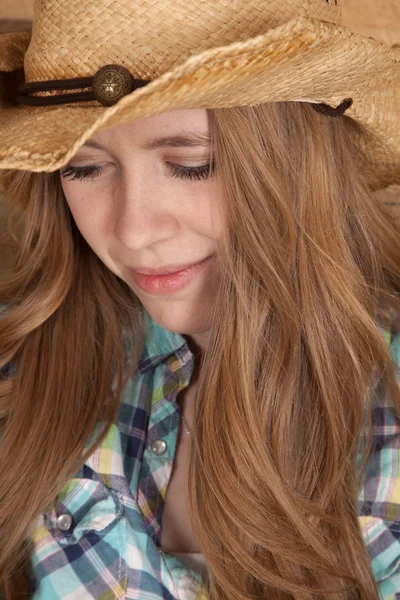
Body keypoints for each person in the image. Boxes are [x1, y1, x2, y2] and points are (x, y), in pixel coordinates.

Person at [0, 0, 400, 598]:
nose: (134, 231)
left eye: (192, 164)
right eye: (83, 169)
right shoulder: (24, 364)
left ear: (297, 159)